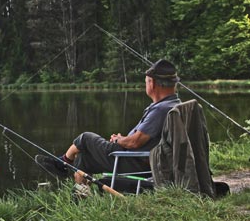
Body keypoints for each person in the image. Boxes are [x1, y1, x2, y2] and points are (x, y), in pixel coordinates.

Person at [36, 59, 181, 181]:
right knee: (83, 158)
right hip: (140, 159)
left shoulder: (161, 109)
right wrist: (122, 139)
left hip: (134, 161)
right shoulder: (174, 104)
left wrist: (119, 140)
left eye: (146, 82)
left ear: (153, 84)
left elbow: (134, 142)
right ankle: (80, 195)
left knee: (85, 138)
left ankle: (63, 163)